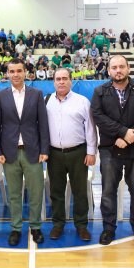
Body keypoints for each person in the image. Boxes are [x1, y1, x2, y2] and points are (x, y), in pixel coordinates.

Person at [91, 55, 134, 248]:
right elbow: (98, 116)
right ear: (108, 71)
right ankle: (108, 229)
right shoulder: (100, 92)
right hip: (110, 149)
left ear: (128, 69)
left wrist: (129, 136)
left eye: (121, 67)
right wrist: (122, 133)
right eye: (114, 67)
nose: (118, 70)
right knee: (108, 191)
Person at [0, 58, 50, 246]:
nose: (15, 74)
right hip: (9, 153)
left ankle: (35, 226)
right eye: (12, 71)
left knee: (36, 191)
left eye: (19, 71)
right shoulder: (0, 97)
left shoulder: (36, 94)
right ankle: (16, 228)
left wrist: (44, 149)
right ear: (7, 74)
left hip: (33, 151)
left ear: (26, 73)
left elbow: (43, 125)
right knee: (14, 193)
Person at [45, 68, 97, 241]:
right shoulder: (46, 101)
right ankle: (58, 224)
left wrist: (91, 151)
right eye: (58, 79)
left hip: (78, 152)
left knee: (80, 191)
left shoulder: (82, 101)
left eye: (64, 78)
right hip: (54, 154)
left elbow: (90, 128)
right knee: (56, 191)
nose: (61, 82)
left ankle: (81, 225)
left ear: (71, 81)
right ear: (53, 82)